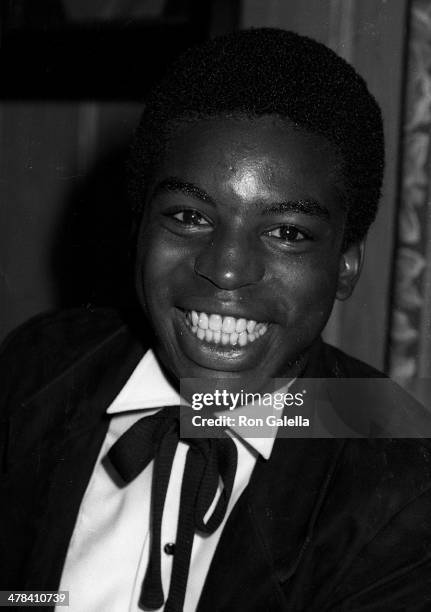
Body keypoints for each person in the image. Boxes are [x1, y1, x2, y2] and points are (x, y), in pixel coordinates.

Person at [1, 27, 431, 612]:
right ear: (139, 229)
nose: (227, 271)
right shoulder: (35, 372)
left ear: (346, 265)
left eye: (287, 233)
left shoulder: (402, 485)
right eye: (188, 215)